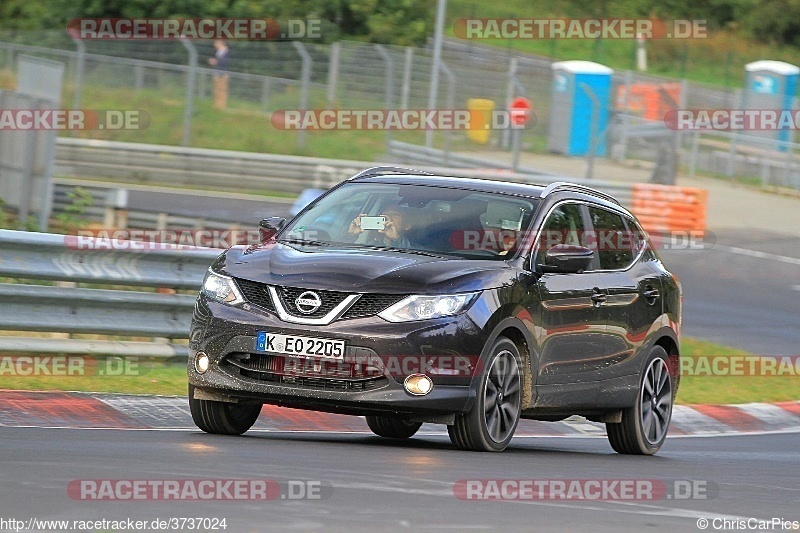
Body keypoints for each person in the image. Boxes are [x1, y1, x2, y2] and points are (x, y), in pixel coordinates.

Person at [208, 39, 230, 109]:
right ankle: (217, 105)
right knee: (216, 89)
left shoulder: (226, 51)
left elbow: (226, 62)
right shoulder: (218, 52)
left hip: (223, 73)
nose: (214, 44)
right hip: (217, 72)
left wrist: (216, 62)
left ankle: (222, 105)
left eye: (216, 42)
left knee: (222, 89)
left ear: (221, 43)